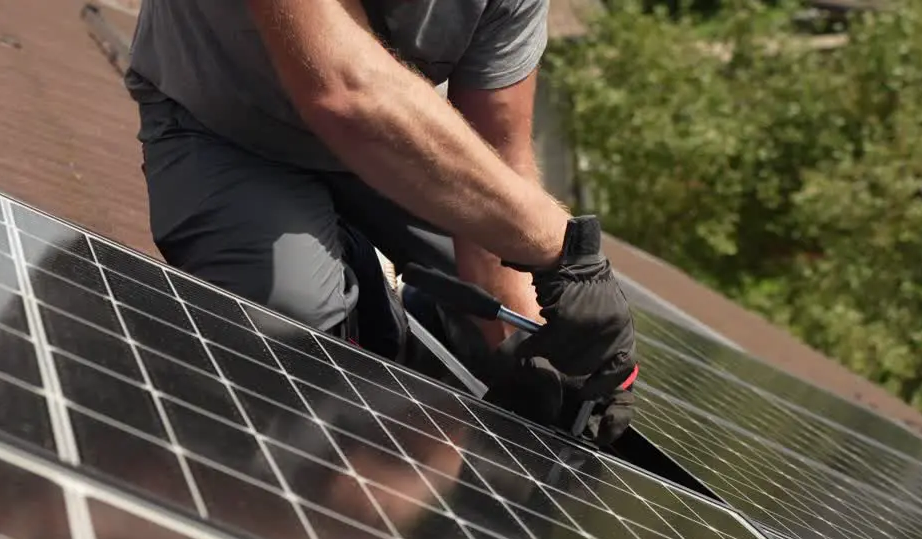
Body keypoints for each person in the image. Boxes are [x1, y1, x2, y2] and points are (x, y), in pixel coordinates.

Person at [123, 0, 638, 447]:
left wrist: (541, 350)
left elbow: (501, 162)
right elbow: (344, 88)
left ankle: (416, 312)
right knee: (288, 331)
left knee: (509, 309)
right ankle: (357, 291)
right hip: (224, 124)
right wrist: (564, 249)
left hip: (389, 145)